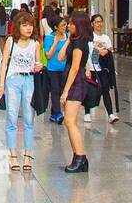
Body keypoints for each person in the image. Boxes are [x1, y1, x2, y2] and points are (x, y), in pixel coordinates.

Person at [0, 10, 41, 173]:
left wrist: (39, 66)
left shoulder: (35, 44)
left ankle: (28, 155)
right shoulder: (10, 42)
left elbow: (38, 62)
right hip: (13, 81)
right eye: (24, 25)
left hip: (29, 80)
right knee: (12, 117)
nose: (28, 29)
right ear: (18, 27)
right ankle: (13, 155)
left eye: (30, 25)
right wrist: (1, 86)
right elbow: (4, 64)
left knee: (29, 118)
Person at [61, 11, 94, 173]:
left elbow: (75, 68)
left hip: (76, 82)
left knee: (70, 120)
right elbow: (60, 58)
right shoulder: (75, 41)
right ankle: (77, 156)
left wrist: (65, 91)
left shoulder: (80, 43)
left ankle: (80, 157)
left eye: (73, 24)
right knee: (69, 121)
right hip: (72, 80)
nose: (69, 26)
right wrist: (67, 40)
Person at [89, 13, 120, 124]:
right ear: (92, 24)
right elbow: (89, 53)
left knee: (105, 90)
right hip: (92, 68)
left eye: (101, 21)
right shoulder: (89, 37)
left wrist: (106, 51)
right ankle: (87, 112)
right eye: (97, 22)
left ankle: (110, 114)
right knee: (90, 91)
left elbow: (109, 51)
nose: (99, 24)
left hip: (103, 69)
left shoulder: (106, 38)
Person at [43, 14, 69, 124]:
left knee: (61, 90)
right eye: (62, 25)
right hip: (52, 69)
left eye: (65, 25)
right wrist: (55, 42)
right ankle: (58, 113)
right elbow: (48, 55)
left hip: (65, 68)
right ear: (55, 27)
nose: (65, 27)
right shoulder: (49, 38)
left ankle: (54, 113)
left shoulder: (68, 37)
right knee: (55, 90)